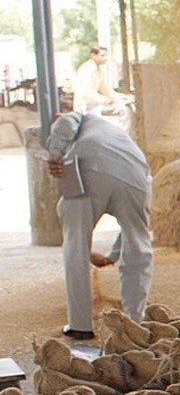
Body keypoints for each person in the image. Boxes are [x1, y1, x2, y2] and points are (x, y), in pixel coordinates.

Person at [42, 110, 153, 341]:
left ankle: (80, 325)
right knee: (138, 245)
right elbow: (136, 225)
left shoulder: (78, 116)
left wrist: (54, 154)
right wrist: (112, 256)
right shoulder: (117, 135)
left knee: (76, 247)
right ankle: (134, 321)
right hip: (136, 175)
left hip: (90, 167)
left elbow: (66, 122)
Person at [72, 46, 123, 113]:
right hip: (84, 108)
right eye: (102, 55)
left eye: (106, 56)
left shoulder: (99, 71)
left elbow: (105, 90)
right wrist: (105, 100)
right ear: (93, 55)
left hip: (94, 106)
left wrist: (120, 97)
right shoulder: (87, 69)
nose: (105, 58)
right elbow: (86, 92)